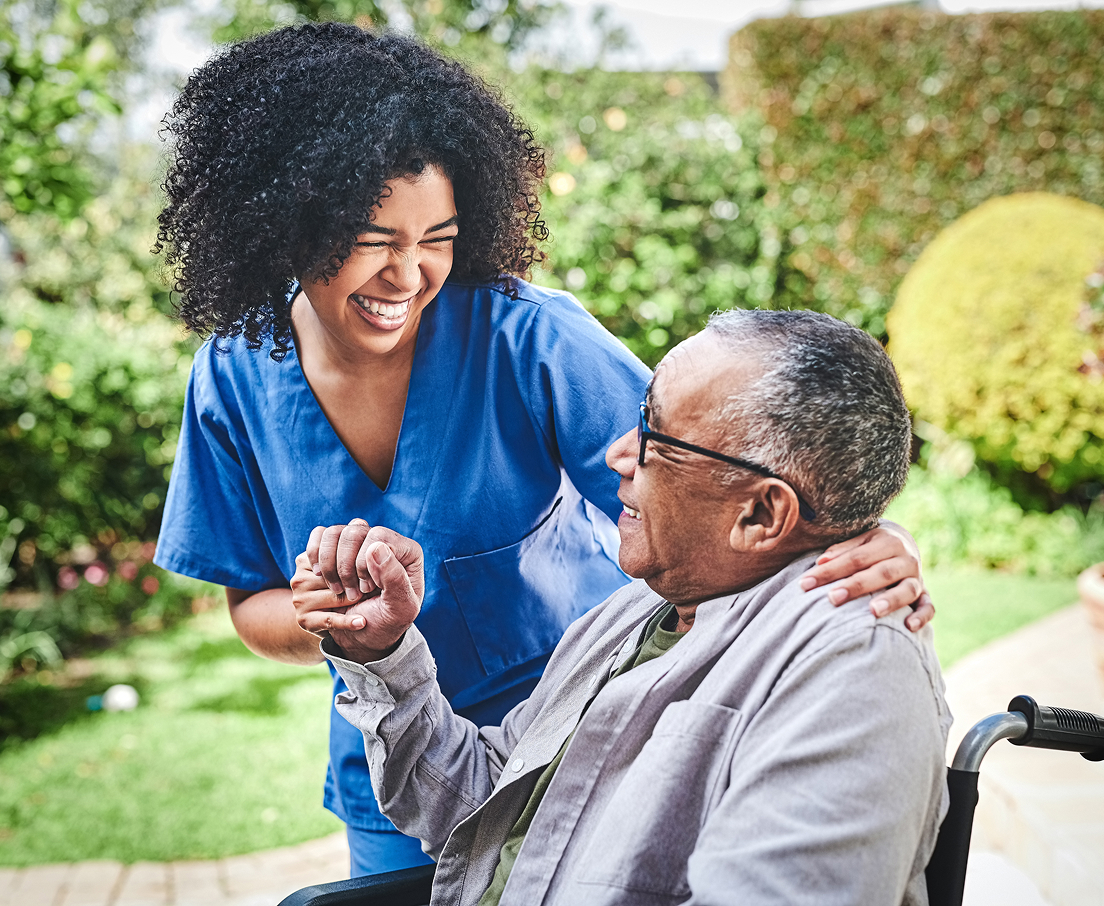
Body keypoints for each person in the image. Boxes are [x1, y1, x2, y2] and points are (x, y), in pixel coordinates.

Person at [152, 23, 933, 877]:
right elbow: (252, 605)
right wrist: (336, 620)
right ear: (288, 223)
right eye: (374, 240)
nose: (408, 276)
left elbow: (719, 487)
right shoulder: (231, 377)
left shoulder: (528, 339)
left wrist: (862, 535)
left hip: (582, 740)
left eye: (438, 238)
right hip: (397, 759)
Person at [300, 309, 950, 906]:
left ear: (759, 514)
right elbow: (482, 806)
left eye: (655, 437)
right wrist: (381, 652)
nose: (615, 453)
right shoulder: (638, 610)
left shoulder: (854, 673)